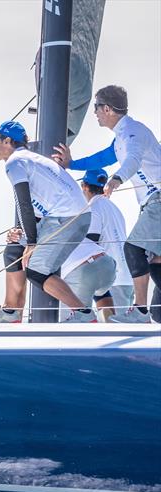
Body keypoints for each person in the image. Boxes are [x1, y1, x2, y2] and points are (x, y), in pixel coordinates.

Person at [53, 85, 161, 323]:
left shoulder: (133, 133)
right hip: (152, 203)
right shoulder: (121, 139)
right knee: (156, 260)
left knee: (133, 249)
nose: (94, 113)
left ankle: (141, 313)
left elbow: (132, 159)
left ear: (107, 109)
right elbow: (102, 158)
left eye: (96, 108)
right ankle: (154, 313)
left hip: (158, 200)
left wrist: (117, 179)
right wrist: (71, 164)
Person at [0, 120, 95, 323]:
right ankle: (11, 312)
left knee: (35, 271)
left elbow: (23, 203)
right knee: (14, 250)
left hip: (69, 219)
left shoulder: (15, 162)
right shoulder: (28, 158)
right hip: (62, 217)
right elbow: (38, 204)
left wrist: (32, 243)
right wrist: (22, 233)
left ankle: (83, 313)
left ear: (8, 141)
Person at [77, 168, 134, 320]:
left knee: (117, 332)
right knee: (122, 331)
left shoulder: (94, 208)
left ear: (84, 185)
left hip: (113, 281)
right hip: (127, 277)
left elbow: (90, 243)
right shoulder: (114, 208)